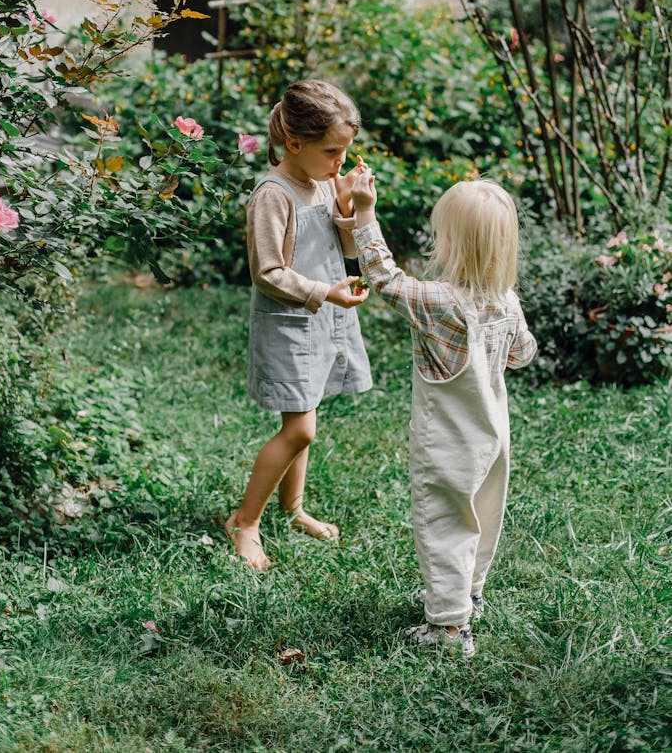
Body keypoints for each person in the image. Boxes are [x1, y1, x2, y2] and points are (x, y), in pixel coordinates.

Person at [351, 172, 537, 658]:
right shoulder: (507, 301)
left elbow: (384, 279)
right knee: (484, 515)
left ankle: (449, 631)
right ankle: (468, 596)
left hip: (450, 442)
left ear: (450, 242)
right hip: (494, 435)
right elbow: (523, 356)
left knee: (445, 523)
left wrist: (364, 213)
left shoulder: (439, 301)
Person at [226, 79, 373, 570]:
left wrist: (353, 209)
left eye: (346, 151)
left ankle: (293, 510)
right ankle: (245, 522)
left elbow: (343, 250)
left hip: (325, 318)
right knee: (302, 429)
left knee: (304, 413)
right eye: (332, 151)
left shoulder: (325, 183)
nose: (340, 163)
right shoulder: (274, 194)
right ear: (294, 144)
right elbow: (266, 272)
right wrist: (323, 292)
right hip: (290, 322)